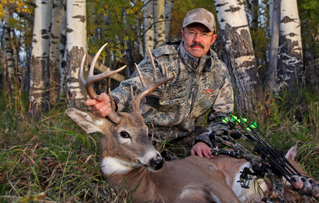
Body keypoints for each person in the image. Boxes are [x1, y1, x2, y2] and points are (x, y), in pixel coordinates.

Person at [86, 8, 234, 158]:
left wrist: (205, 140)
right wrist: (112, 102)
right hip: (145, 136)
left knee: (228, 149)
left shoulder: (219, 71)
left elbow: (223, 116)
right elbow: (134, 86)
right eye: (192, 32)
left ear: (213, 39)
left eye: (204, 34)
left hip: (183, 138)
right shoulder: (162, 59)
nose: (197, 39)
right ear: (183, 35)